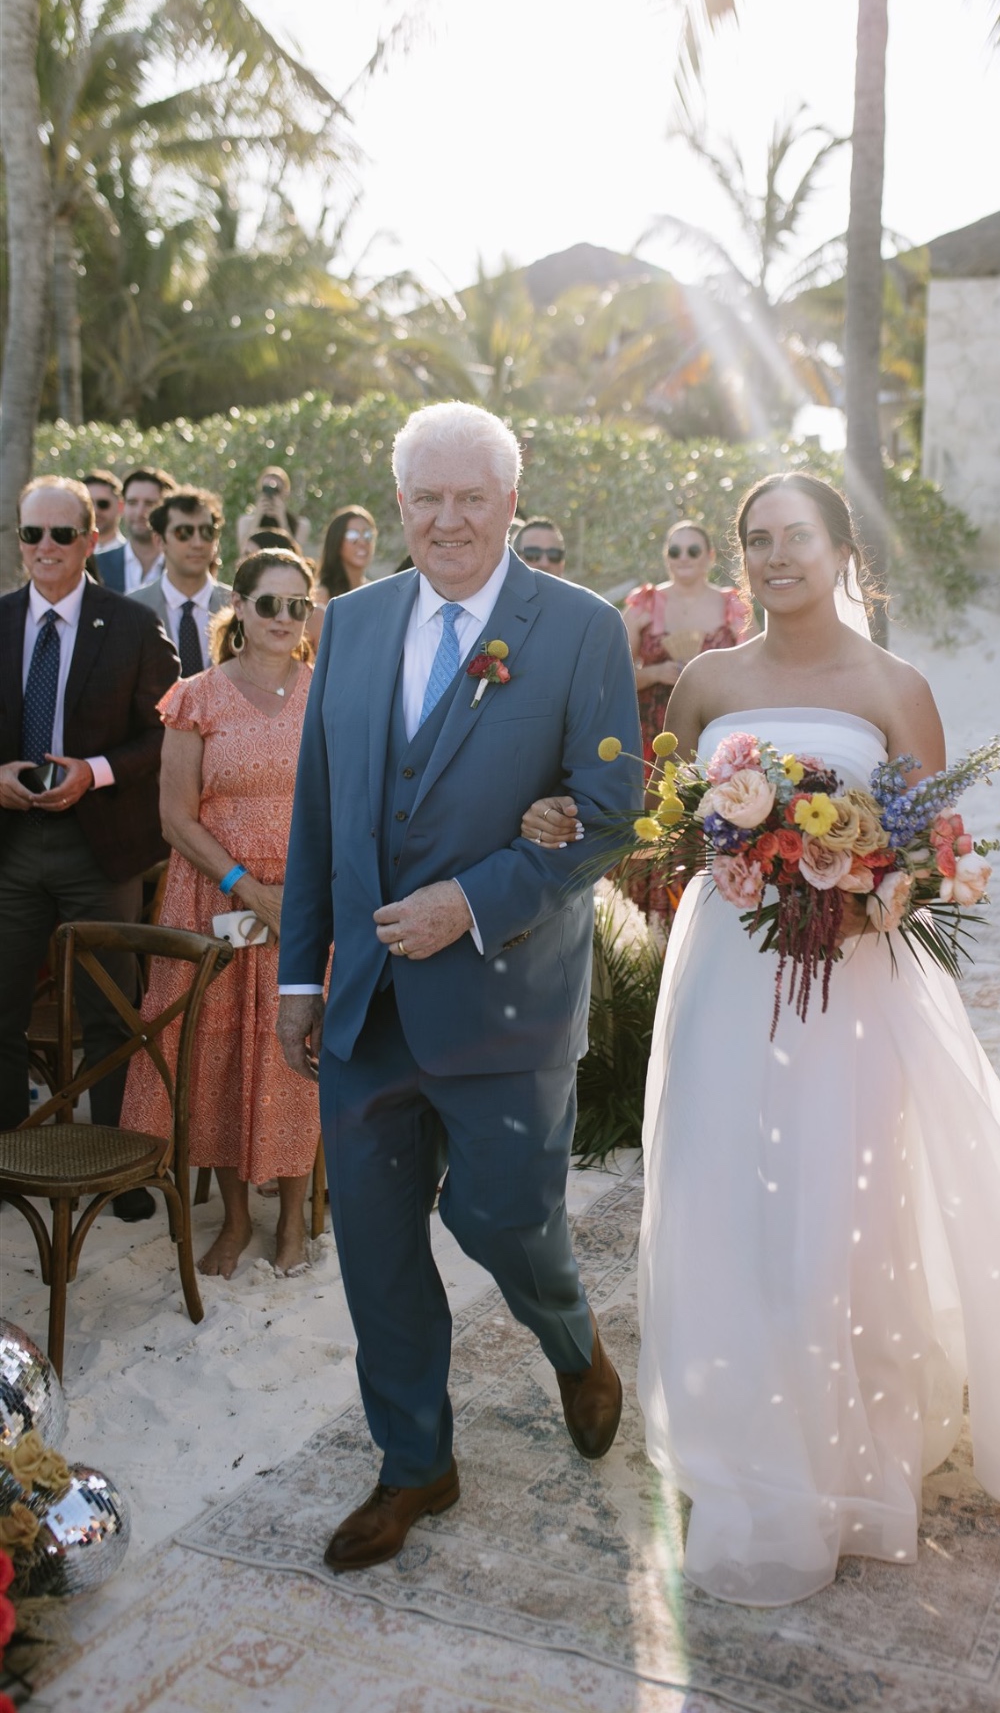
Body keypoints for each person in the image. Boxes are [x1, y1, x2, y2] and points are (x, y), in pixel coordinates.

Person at [536, 470, 1000, 1608]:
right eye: (757, 541)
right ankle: (740, 1427)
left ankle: (842, 1447)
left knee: (839, 1201)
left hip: (853, 983)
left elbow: (937, 850)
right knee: (721, 1189)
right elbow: (666, 818)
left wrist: (866, 889)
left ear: (843, 551)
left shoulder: (894, 684)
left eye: (795, 537)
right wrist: (679, 843)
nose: (774, 557)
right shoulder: (705, 681)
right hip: (727, 974)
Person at [276, 400, 641, 1575]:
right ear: (398, 505)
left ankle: (573, 1342)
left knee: (498, 1216)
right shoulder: (353, 622)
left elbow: (609, 815)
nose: (447, 519)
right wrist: (297, 975)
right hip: (368, 1004)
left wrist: (473, 901)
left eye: (471, 497)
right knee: (376, 1247)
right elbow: (323, 811)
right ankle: (414, 1464)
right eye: (425, 497)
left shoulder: (580, 630)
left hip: (504, 998)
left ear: (510, 503)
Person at [121, 549, 321, 1277]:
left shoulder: (326, 693)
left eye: (297, 605)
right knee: (222, 1055)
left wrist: (298, 895)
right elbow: (176, 819)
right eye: (269, 604)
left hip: (304, 902)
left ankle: (294, 1221)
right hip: (216, 900)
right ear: (239, 609)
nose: (283, 619)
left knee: (297, 1055)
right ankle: (236, 1220)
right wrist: (245, 883)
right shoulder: (196, 695)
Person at [0, 478, 179, 1218]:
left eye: (61, 535)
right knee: (1, 1009)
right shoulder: (1, 620)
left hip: (100, 845)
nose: (45, 548)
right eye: (31, 535)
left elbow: (170, 729)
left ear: (90, 539)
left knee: (112, 1012)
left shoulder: (133, 626)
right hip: (11, 848)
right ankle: (10, 1166)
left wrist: (95, 772)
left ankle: (117, 1172)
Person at [624, 521, 754, 929]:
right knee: (658, 819)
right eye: (675, 551)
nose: (683, 559)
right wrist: (658, 671)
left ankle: (712, 915)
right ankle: (652, 928)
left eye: (693, 551)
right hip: (653, 731)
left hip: (714, 729)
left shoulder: (731, 606)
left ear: (710, 557)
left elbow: (756, 666)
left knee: (708, 814)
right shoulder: (645, 605)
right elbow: (615, 672)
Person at [129, 489, 232, 676]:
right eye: (184, 532)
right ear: (159, 541)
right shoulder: (132, 610)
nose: (198, 543)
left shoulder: (239, 608)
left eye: (207, 532)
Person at [308, 506, 376, 647]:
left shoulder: (376, 591)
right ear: (337, 541)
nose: (362, 542)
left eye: (368, 535)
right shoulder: (321, 595)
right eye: (352, 535)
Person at [84, 470, 139, 593]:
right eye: (89, 504)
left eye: (103, 504)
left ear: (120, 506)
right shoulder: (73, 555)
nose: (96, 511)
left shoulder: (133, 557)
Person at [235, 466, 312, 555]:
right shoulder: (245, 521)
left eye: (276, 491)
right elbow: (243, 551)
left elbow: (297, 554)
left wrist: (282, 519)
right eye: (265, 489)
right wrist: (258, 516)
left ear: (286, 493)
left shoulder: (300, 524)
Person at [121, 467, 174, 588]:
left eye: (150, 504)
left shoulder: (183, 566)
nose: (140, 512)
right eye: (132, 503)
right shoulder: (99, 565)